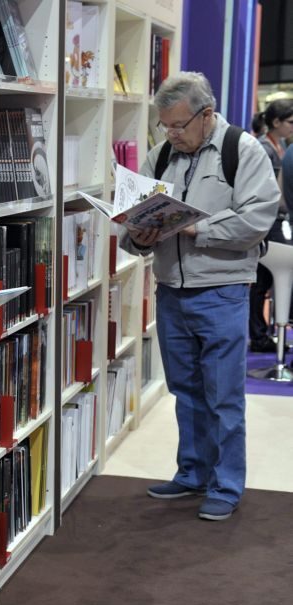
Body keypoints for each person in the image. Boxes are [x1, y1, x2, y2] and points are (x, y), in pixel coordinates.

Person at [120, 73, 280, 521]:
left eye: (178, 125)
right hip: (170, 291)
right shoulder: (160, 156)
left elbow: (257, 220)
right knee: (186, 391)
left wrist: (194, 226)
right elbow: (136, 227)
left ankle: (226, 485)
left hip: (224, 291)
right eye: (164, 125)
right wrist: (138, 233)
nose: (170, 134)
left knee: (224, 396)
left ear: (206, 114)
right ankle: (192, 472)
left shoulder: (242, 151)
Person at [249, 99, 293, 351]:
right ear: (275, 122)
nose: (292, 127)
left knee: (265, 281)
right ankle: (258, 335)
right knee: (259, 282)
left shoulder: (281, 146)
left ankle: (262, 333)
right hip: (264, 224)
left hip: (276, 223)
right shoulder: (263, 148)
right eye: (290, 122)